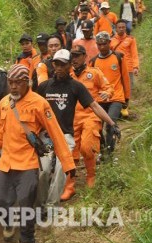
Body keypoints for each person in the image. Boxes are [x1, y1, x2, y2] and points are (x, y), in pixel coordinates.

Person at [0, 64, 75, 243]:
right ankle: (8, 222)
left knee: (24, 205)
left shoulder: (39, 104)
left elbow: (56, 133)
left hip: (28, 163)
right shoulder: (5, 102)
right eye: (10, 83)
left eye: (17, 83)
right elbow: (1, 131)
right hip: (6, 162)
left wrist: (68, 164)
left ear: (27, 83)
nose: (13, 87)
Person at [37, 49, 120, 202]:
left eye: (63, 64)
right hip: (47, 136)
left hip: (66, 135)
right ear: (53, 65)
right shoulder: (44, 86)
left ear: (69, 66)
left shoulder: (76, 86)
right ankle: (40, 204)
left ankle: (53, 204)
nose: (60, 68)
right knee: (42, 172)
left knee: (63, 169)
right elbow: (32, 106)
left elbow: (94, 106)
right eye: (57, 64)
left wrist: (111, 123)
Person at [61, 45, 115, 199]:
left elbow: (108, 87)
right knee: (71, 153)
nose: (75, 59)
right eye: (72, 56)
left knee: (87, 146)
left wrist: (106, 93)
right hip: (72, 118)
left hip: (91, 115)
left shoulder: (94, 73)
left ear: (84, 56)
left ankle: (91, 176)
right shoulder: (67, 75)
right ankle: (69, 186)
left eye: (78, 55)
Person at [90, 32, 130, 155]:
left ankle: (109, 153)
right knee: (97, 127)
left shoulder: (118, 57)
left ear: (109, 43)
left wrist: (127, 98)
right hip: (100, 99)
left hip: (116, 97)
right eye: (99, 44)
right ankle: (102, 149)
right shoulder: (93, 61)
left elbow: (125, 77)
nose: (102, 47)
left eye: (104, 44)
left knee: (110, 124)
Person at [111, 19, 140, 117]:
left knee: (127, 89)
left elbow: (134, 54)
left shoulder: (131, 39)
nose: (121, 29)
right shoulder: (111, 40)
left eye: (123, 27)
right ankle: (116, 108)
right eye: (119, 27)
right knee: (117, 88)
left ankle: (125, 108)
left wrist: (136, 66)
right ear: (115, 28)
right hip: (115, 69)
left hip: (128, 68)